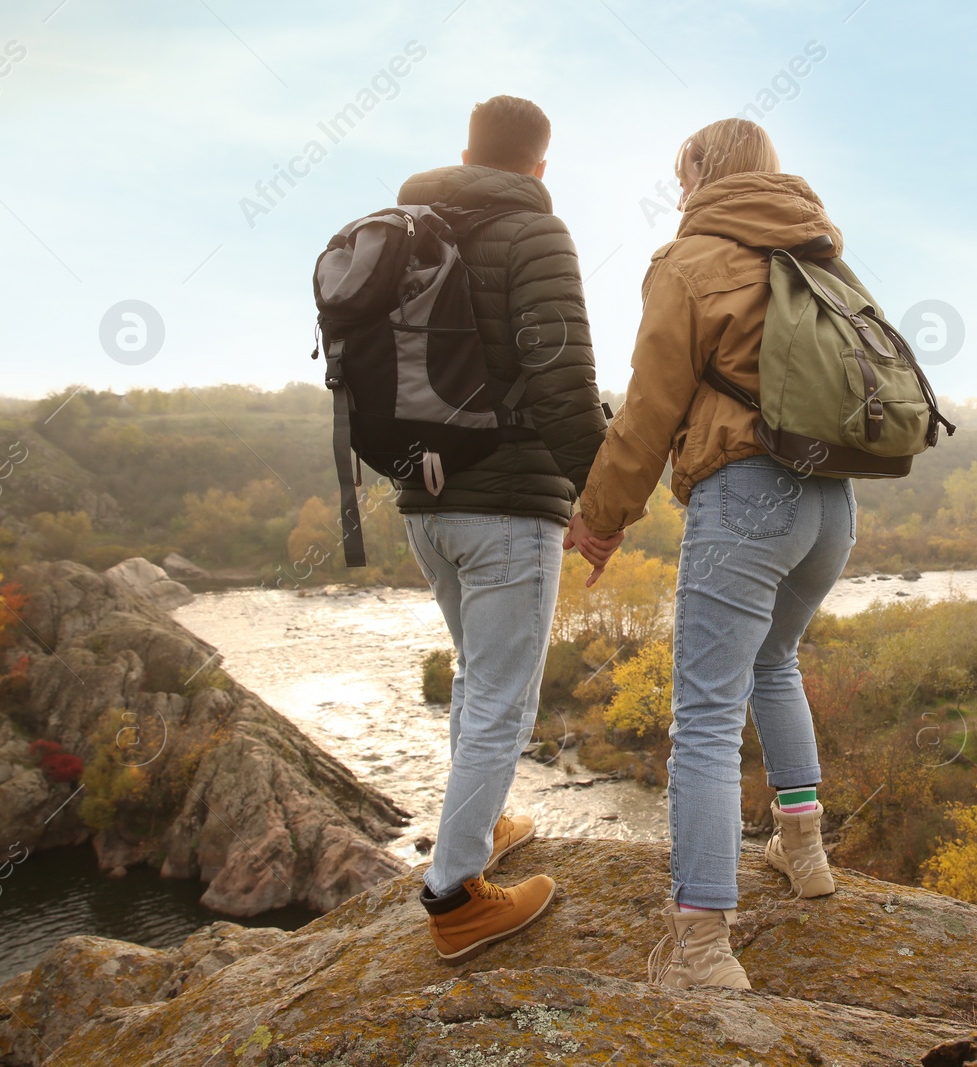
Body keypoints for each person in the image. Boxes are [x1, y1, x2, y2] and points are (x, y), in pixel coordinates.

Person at [567, 118, 854, 989]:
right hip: (830, 503)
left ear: (700, 172)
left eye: (680, 171)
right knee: (775, 661)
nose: (678, 188)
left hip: (746, 497)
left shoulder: (686, 262)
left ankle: (701, 946)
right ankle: (803, 854)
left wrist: (601, 516)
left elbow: (648, 410)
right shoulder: (817, 253)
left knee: (703, 715)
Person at [394, 95, 616, 961]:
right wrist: (600, 503)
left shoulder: (406, 226)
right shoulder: (537, 233)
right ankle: (455, 898)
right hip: (509, 505)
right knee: (503, 698)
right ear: (540, 166)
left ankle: (475, 833)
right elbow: (562, 380)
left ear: (466, 153)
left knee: (474, 680)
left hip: (425, 502)